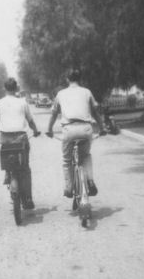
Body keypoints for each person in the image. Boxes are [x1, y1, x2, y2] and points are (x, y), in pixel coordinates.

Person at [46, 69, 106, 198]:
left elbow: (54, 114)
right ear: (80, 79)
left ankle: (68, 187)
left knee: (67, 160)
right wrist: (102, 128)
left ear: (67, 79)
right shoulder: (87, 92)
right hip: (85, 129)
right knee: (86, 156)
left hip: (69, 130)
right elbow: (95, 112)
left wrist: (49, 130)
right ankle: (90, 181)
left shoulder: (61, 94)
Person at [0, 78, 41, 210]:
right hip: (21, 138)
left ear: (4, 89)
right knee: (25, 168)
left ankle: (8, 172)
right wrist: (35, 131)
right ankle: (29, 198)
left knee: (6, 157)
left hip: (5, 139)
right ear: (16, 88)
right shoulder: (22, 102)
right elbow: (30, 121)